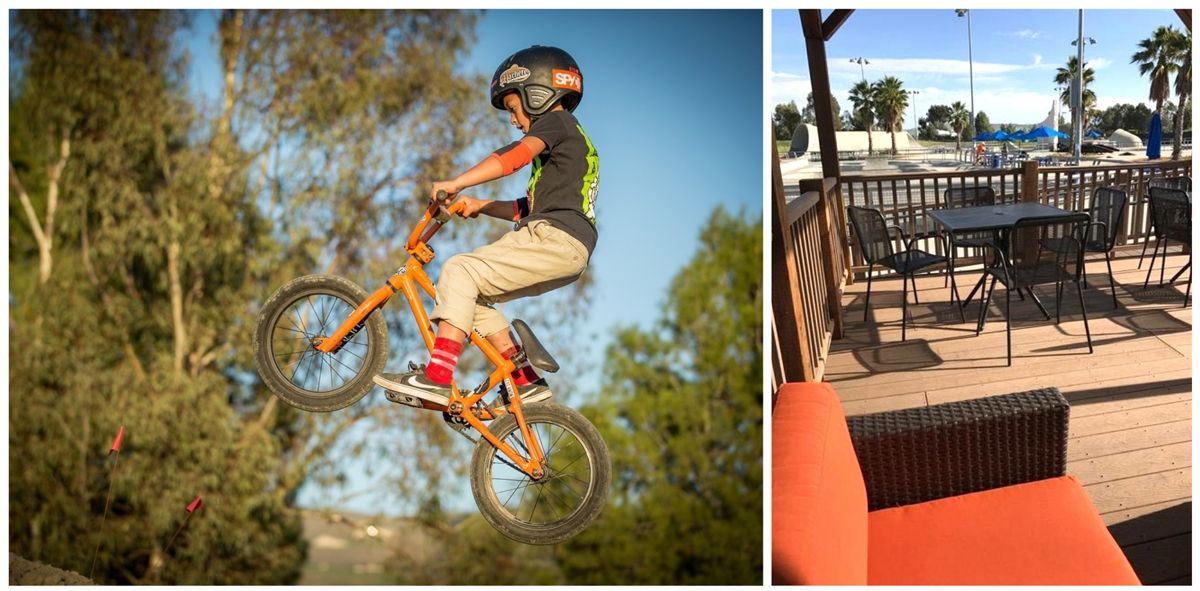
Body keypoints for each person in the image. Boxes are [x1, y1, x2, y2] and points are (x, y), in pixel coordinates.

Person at [374, 45, 599, 408]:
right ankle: (523, 379)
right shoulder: (570, 144)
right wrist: (481, 206)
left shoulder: (555, 124)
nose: (513, 120)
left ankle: (438, 377)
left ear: (538, 95)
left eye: (513, 108)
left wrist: (459, 182)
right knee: (470, 298)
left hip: (553, 239)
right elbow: (528, 208)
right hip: (566, 244)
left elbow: (513, 157)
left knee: (459, 270)